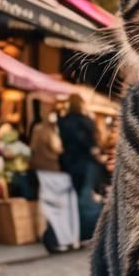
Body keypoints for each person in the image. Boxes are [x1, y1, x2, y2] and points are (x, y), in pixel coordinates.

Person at [29, 102, 80, 254]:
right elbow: (57, 148)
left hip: (41, 171)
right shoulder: (54, 131)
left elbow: (32, 149)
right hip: (56, 172)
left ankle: (59, 239)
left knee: (49, 208)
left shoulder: (37, 129)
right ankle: (65, 240)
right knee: (63, 209)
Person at [59, 93, 103, 241]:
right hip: (86, 163)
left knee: (76, 198)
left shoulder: (63, 121)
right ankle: (89, 232)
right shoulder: (86, 120)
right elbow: (91, 141)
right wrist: (93, 148)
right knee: (87, 198)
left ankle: (77, 232)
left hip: (70, 163)